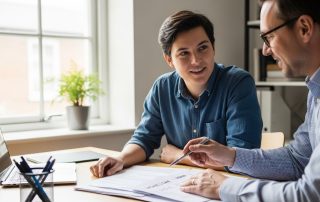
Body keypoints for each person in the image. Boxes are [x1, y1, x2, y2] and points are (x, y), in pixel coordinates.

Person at [90, 10, 262, 178]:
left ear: (213, 47)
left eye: (203, 48)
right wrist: (120, 159)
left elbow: (243, 158)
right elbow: (144, 139)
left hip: (227, 188)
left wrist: (179, 156)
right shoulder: (162, 87)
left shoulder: (238, 83)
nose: (196, 60)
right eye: (184, 53)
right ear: (169, 60)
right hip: (178, 186)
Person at [180, 0, 320, 201]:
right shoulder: (315, 90)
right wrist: (230, 156)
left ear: (304, 28)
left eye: (269, 36)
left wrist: (226, 188)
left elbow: (309, 195)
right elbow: (296, 160)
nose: (265, 50)